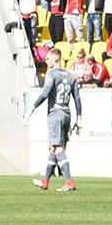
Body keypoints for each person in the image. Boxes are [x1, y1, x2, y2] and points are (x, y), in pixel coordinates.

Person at [29, 46, 82, 192]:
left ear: (56, 59)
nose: (45, 60)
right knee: (53, 148)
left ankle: (69, 182)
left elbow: (46, 92)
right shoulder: (70, 75)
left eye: (48, 58)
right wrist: (79, 117)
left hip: (55, 114)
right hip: (66, 115)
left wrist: (33, 106)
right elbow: (76, 98)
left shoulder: (51, 73)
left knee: (58, 148)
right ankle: (45, 181)